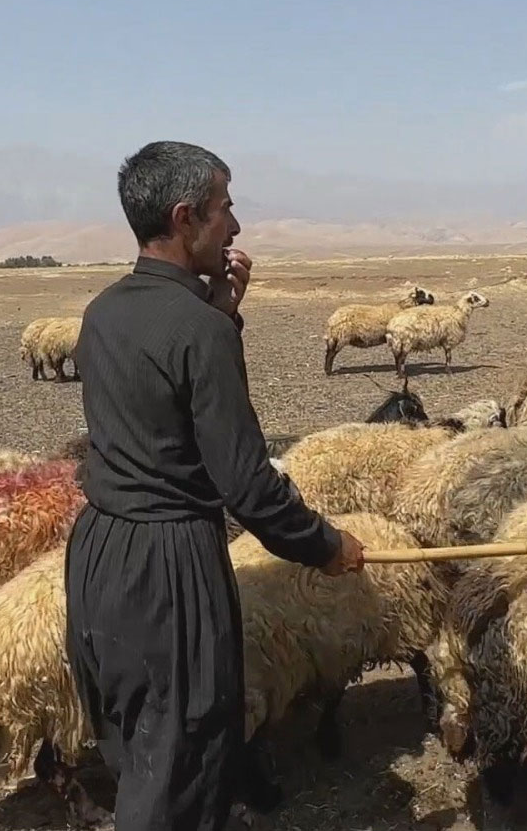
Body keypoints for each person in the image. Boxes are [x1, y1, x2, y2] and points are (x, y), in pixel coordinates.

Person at [65, 140, 367, 831]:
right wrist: (324, 545)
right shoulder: (200, 332)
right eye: (226, 208)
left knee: (136, 743)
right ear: (184, 216)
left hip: (99, 557)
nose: (235, 227)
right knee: (181, 761)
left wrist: (222, 306)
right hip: (169, 569)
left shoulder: (103, 312)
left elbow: (157, 399)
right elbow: (248, 486)